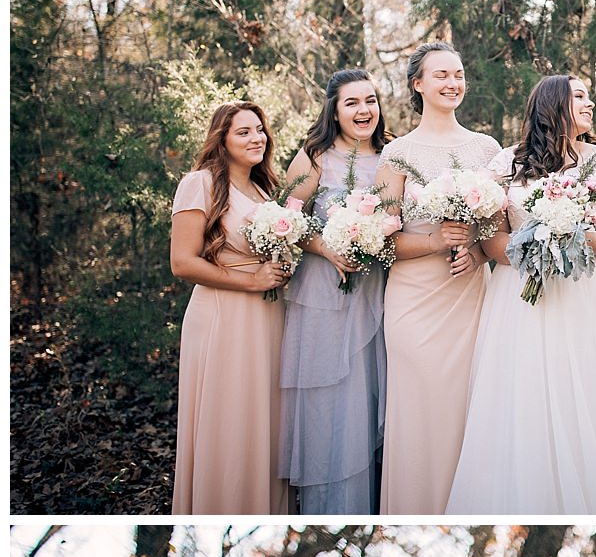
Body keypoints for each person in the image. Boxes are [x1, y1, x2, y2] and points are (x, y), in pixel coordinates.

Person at [444, 73, 596, 514]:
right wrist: (536, 246)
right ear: (552, 104)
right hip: (523, 302)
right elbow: (494, 243)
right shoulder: (505, 164)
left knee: (594, 402)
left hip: (594, 298)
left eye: (590, 96)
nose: (590, 104)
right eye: (579, 96)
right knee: (528, 402)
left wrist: (577, 239)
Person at [375, 43, 500, 515]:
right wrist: (435, 241)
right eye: (441, 74)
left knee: (466, 408)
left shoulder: (486, 148)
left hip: (468, 297)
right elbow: (380, 240)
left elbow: (497, 230)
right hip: (414, 300)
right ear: (418, 84)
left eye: (459, 73)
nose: (453, 83)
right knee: (421, 408)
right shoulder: (398, 153)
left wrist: (475, 249)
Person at [277, 69, 392, 514]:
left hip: (375, 291)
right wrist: (327, 247)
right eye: (352, 103)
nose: (364, 111)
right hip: (323, 293)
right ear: (334, 109)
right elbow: (286, 221)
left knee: (370, 395)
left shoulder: (391, 157)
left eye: (370, 101)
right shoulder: (314, 158)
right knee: (329, 399)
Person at [168, 101, 290, 515]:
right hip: (223, 316)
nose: (257, 138)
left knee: (262, 422)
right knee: (229, 420)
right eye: (244, 132)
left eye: (260, 130)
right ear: (221, 139)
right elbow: (182, 262)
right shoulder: (198, 183)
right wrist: (251, 281)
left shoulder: (264, 189)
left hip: (268, 318)